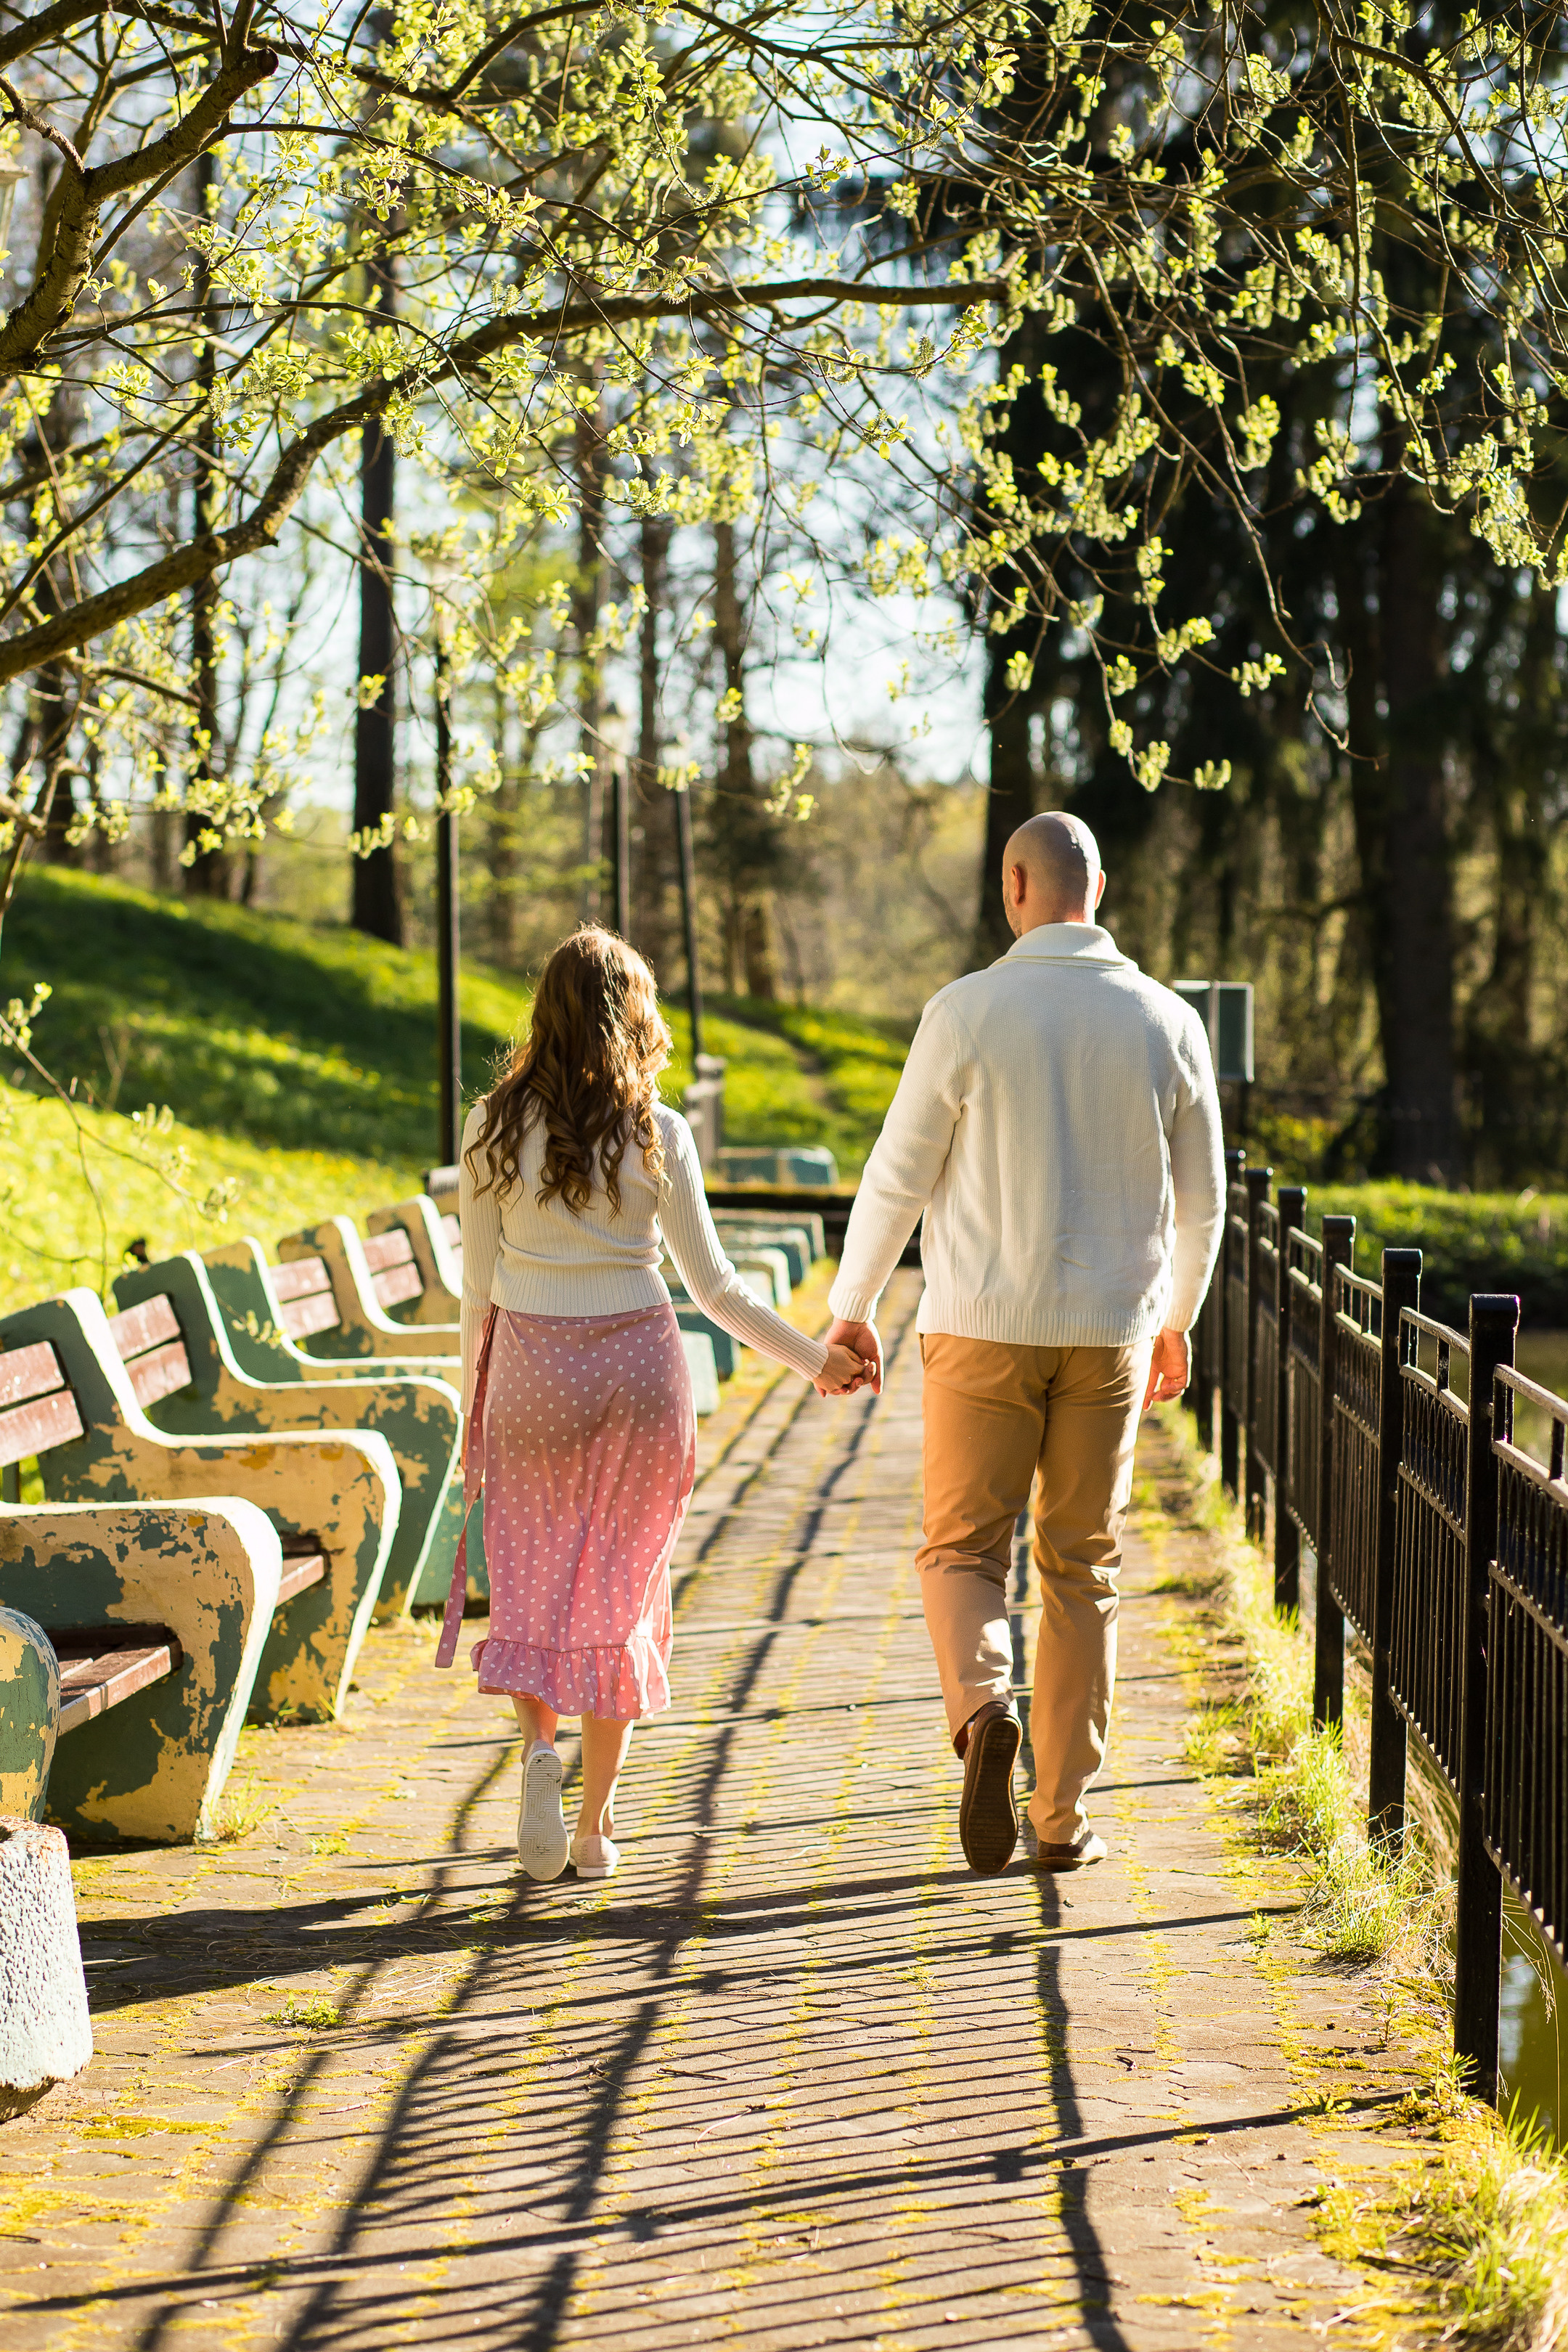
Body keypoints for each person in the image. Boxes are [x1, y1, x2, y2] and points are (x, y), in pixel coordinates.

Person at [823, 813, 1224, 1877]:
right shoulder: (1169, 1023)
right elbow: (1205, 1205)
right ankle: (1059, 1818)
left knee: (963, 1549)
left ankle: (982, 1708)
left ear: (1014, 885)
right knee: (1081, 1564)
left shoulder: (963, 1013)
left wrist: (852, 1304)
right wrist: (1178, 1316)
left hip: (979, 1324)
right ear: (1102, 886)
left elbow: (897, 1173)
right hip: (1108, 1337)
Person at [441, 926, 865, 1885]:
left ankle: (538, 1753)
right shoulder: (657, 1133)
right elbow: (716, 1290)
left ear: (542, 1014)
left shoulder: (489, 1127)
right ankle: (593, 1831)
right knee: (620, 1594)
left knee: (535, 1582)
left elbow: (476, 1291)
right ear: (634, 1016)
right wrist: (817, 1362)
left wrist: (476, 1397)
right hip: (637, 1375)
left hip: (530, 1378)